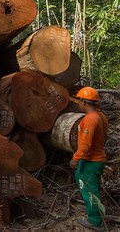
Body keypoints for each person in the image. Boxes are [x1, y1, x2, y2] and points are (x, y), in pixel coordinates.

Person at [69, 87, 108, 231]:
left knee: (90, 190)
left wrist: (75, 158)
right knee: (81, 179)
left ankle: (95, 221)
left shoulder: (91, 119)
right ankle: (90, 205)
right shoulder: (100, 116)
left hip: (92, 160)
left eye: (79, 101)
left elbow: (86, 144)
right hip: (93, 159)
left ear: (84, 102)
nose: (78, 103)